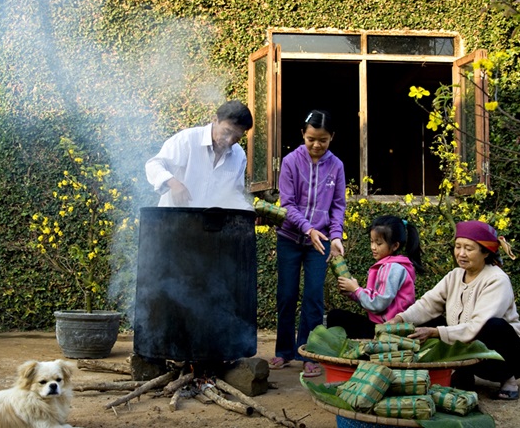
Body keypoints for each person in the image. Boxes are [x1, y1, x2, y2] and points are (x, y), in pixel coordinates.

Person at [388, 220, 520, 400]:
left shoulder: (497, 280)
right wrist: (400, 319)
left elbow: (477, 326)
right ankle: (463, 371)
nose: (461, 253)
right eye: (458, 247)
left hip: (509, 357)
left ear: (485, 252)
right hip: (468, 348)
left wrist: (435, 332)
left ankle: (507, 378)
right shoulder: (455, 276)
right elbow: (428, 304)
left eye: (469, 248)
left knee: (494, 326)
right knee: (428, 320)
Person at [268, 110, 346, 378]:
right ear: (303, 134)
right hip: (290, 238)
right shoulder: (290, 162)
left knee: (314, 297)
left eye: (323, 140)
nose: (316, 145)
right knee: (287, 295)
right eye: (311, 138)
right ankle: (283, 351)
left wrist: (335, 236)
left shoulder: (336, 166)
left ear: (331, 137)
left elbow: (338, 206)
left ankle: (308, 354)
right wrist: (307, 228)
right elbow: (287, 204)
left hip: (320, 243)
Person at [326, 215, 422, 339]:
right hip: (379, 325)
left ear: (395, 246)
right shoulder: (387, 265)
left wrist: (356, 289)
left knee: (336, 317)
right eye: (371, 242)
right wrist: (352, 292)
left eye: (379, 243)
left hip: (388, 330)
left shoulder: (394, 268)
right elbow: (373, 299)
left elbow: (378, 304)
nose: (373, 247)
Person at [144, 100, 253, 209]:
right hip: (173, 219)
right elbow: (153, 165)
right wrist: (173, 183)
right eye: (226, 132)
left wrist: (248, 211)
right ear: (215, 120)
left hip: (209, 224)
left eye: (236, 137)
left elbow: (233, 194)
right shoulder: (187, 140)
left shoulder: (239, 155)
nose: (229, 140)